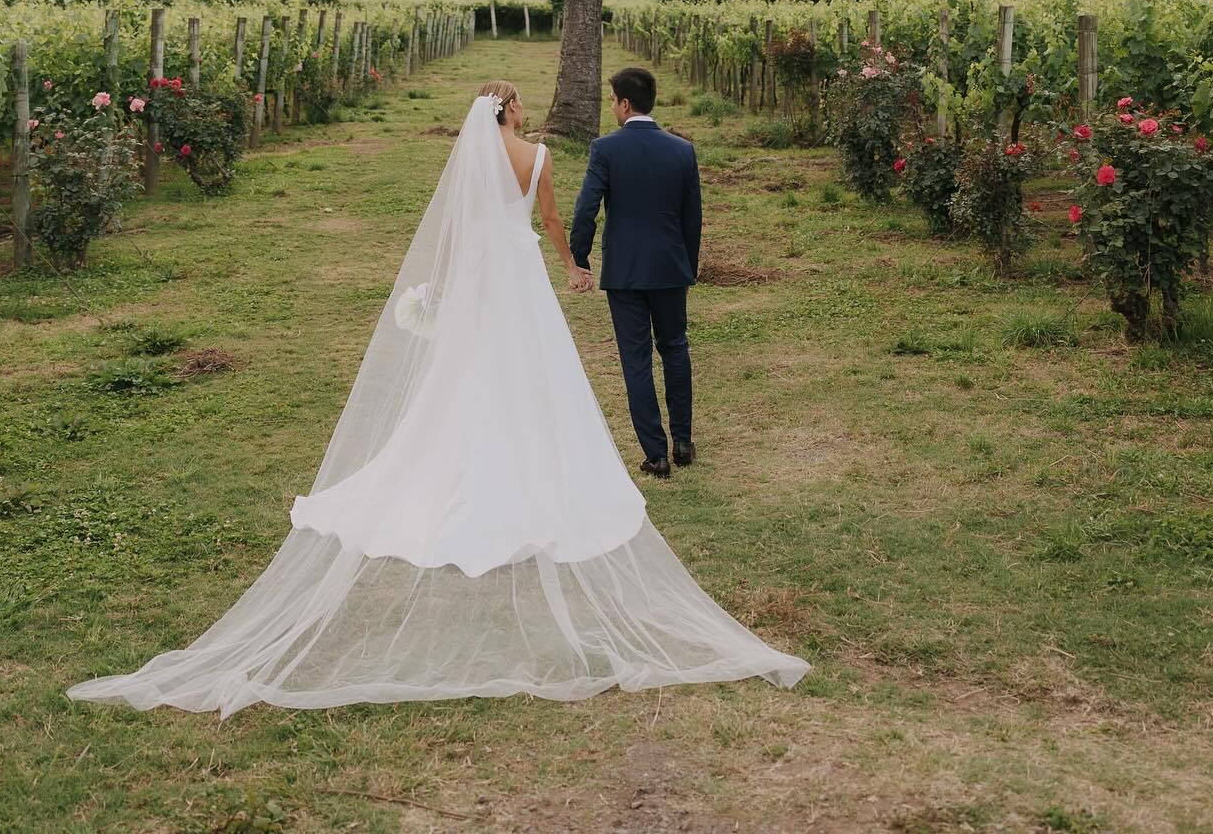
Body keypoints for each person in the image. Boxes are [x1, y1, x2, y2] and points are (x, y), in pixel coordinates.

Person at [66, 80, 806, 712]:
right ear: (513, 113)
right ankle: (542, 462)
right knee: (535, 374)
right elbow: (550, 220)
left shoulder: (471, 160)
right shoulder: (539, 158)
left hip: (482, 278)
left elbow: (451, 234)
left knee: (463, 374)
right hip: (519, 277)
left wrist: (440, 288)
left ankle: (460, 459)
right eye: (518, 105)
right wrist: (572, 265)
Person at [569, 65, 700, 478]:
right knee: (675, 347)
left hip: (625, 271)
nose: (612, 107)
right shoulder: (682, 150)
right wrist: (686, 266)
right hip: (669, 268)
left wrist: (580, 257)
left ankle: (655, 454)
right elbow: (691, 218)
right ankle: (682, 441)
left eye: (612, 100)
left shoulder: (605, 149)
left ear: (625, 104)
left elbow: (587, 206)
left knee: (636, 359)